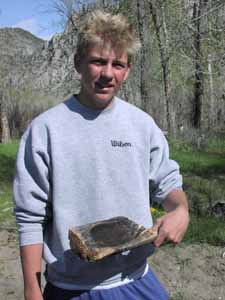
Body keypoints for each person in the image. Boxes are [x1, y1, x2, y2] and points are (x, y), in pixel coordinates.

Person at [13, 10, 189, 300]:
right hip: (73, 288)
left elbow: (168, 183)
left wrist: (180, 210)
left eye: (118, 64)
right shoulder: (45, 130)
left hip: (137, 278)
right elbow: (30, 218)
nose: (108, 73)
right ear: (78, 63)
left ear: (128, 70)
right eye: (97, 61)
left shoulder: (142, 125)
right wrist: (32, 289)